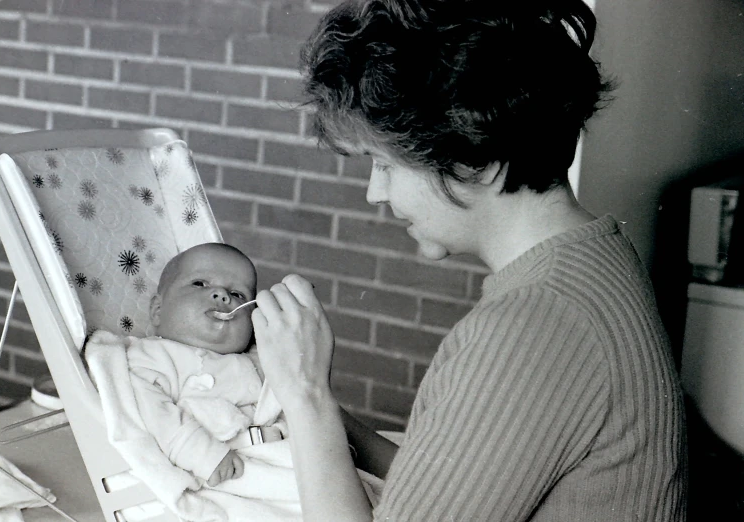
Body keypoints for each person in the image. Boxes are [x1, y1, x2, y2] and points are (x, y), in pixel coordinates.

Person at [250, 0, 689, 521]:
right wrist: (320, 411)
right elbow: (456, 479)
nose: (375, 192)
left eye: (385, 164)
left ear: (474, 161)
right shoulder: (593, 261)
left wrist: (306, 397)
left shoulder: (528, 329)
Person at [86, 242, 281, 487]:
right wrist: (202, 454)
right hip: (217, 476)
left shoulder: (256, 360)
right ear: (158, 310)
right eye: (200, 283)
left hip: (277, 462)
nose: (222, 295)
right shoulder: (150, 356)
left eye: (238, 295)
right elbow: (149, 410)